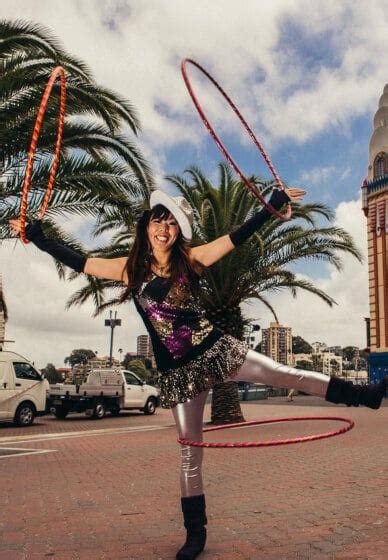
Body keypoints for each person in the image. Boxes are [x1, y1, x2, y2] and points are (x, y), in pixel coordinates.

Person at [9, 187, 388, 560]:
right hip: (178, 373)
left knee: (288, 374)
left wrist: (272, 204)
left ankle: (366, 396)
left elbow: (237, 236)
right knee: (191, 455)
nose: (164, 228)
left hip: (217, 351)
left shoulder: (190, 260)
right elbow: (79, 261)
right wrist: (38, 236)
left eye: (172, 224)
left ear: (178, 233)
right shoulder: (129, 269)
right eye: (158, 221)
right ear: (145, 227)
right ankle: (195, 535)